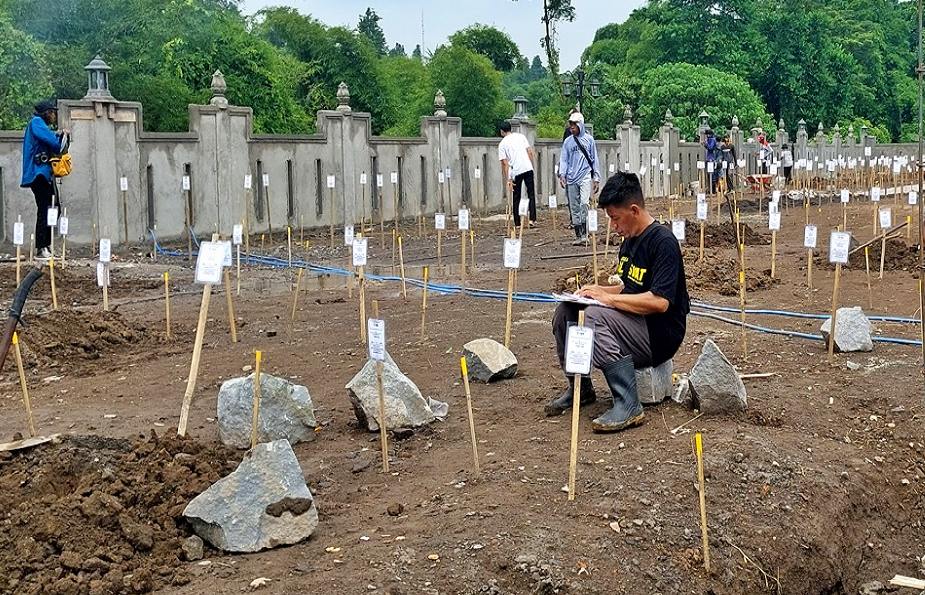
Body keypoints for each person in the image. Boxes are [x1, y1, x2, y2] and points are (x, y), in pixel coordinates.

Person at [546, 172, 690, 432]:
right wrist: (596, 289)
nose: (613, 226)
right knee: (567, 311)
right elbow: (629, 288)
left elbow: (660, 302)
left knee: (591, 318)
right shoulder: (629, 243)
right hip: (634, 324)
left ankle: (628, 403)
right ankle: (580, 388)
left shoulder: (663, 242)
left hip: (659, 333)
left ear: (634, 210)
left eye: (615, 218)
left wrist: (607, 298)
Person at [20, 99, 66, 260]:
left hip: (44, 174)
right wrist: (60, 137)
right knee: (45, 210)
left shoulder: (40, 124)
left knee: (54, 208)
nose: (54, 116)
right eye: (52, 112)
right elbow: (53, 143)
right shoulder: (37, 122)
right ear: (46, 113)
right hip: (37, 174)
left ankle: (46, 246)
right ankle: (41, 248)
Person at [558, 112, 600, 245]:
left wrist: (596, 177)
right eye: (570, 124)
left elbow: (594, 159)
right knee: (574, 207)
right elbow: (564, 160)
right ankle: (578, 235)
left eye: (574, 124)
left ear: (580, 125)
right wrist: (562, 175)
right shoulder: (568, 142)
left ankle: (585, 233)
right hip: (571, 177)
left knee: (584, 203)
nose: (572, 127)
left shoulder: (589, 140)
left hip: (585, 176)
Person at [498, 121, 537, 228]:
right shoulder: (521, 136)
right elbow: (530, 152)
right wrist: (530, 165)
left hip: (516, 171)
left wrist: (508, 179)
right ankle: (532, 219)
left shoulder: (502, 144)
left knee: (516, 197)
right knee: (531, 194)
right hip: (528, 168)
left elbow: (505, 163)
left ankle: (517, 223)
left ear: (502, 131)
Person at [703, 129, 721, 193]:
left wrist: (706, 144)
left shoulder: (712, 140)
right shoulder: (709, 139)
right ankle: (710, 189)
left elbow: (710, 147)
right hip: (709, 158)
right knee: (709, 174)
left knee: (712, 175)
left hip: (712, 159)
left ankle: (713, 190)